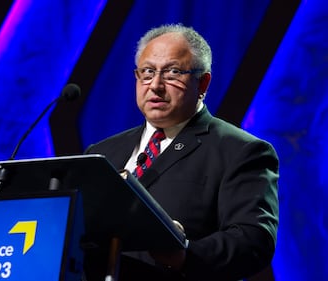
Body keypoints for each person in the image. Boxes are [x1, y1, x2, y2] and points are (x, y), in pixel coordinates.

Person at [83, 23, 279, 281]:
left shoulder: (241, 150)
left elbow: (254, 240)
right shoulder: (101, 153)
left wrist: (185, 253)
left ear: (203, 82)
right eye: (147, 72)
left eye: (173, 72)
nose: (156, 85)